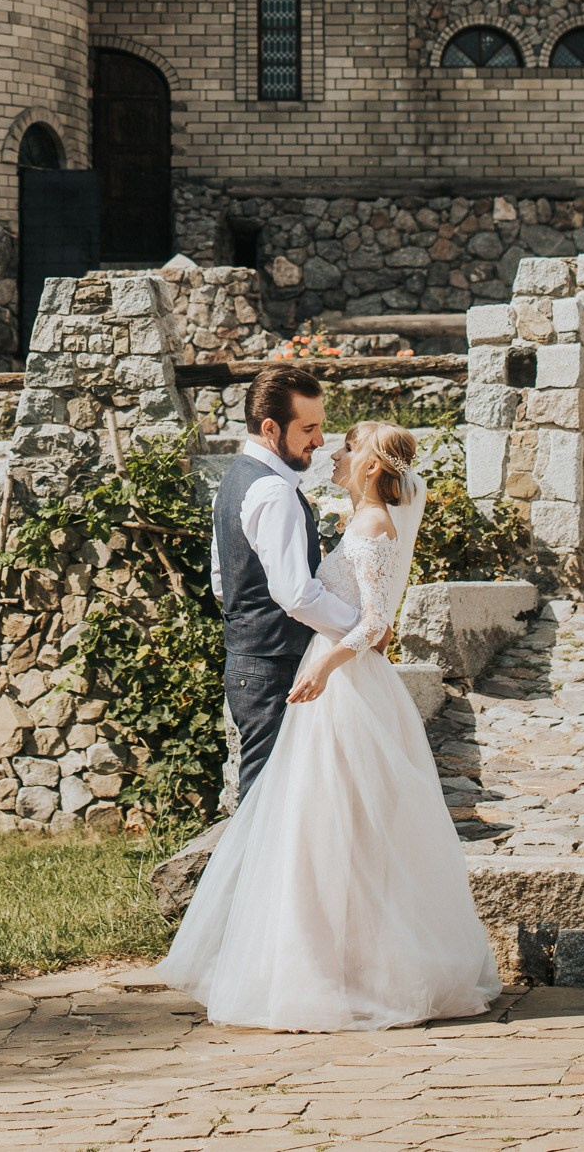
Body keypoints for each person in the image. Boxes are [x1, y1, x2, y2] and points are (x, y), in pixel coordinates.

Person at [162, 417, 501, 1032]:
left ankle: (346, 970)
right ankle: (336, 963)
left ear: (373, 467)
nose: (333, 453)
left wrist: (325, 669)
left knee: (334, 825)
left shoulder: (373, 525)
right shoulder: (362, 519)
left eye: (347, 446)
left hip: (342, 683)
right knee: (326, 826)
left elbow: (375, 624)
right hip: (336, 674)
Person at [209, 363, 366, 801]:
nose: (319, 440)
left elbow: (222, 579)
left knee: (274, 795)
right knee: (267, 798)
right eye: (309, 428)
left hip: (251, 660)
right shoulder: (274, 492)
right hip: (275, 665)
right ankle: (249, 872)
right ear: (270, 427)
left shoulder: (235, 478)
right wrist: (359, 626)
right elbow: (296, 594)